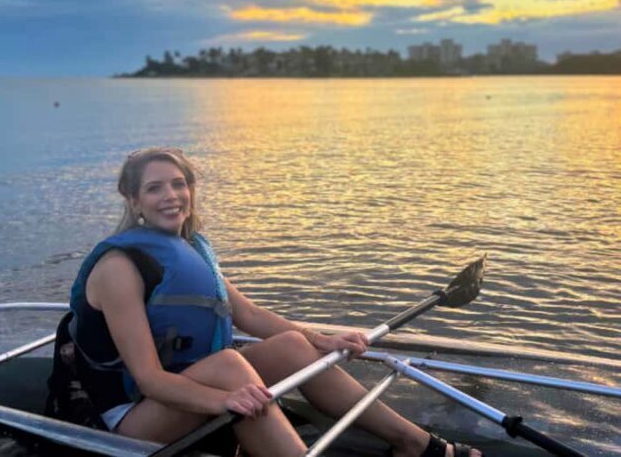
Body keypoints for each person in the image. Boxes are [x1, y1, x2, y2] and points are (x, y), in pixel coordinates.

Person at [61, 147, 481, 457]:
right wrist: (224, 400)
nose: (172, 196)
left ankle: (413, 444)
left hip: (184, 390)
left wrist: (323, 339)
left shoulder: (187, 250)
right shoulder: (118, 267)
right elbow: (149, 380)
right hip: (128, 421)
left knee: (294, 347)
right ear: (133, 201)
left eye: (179, 184)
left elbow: (247, 314)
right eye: (155, 188)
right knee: (229, 365)